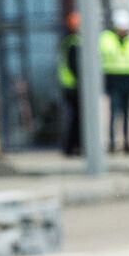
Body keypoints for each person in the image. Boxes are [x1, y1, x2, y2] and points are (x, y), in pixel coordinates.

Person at [99, 8, 129, 154]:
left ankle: (127, 142)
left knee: (127, 113)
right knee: (113, 112)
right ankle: (112, 143)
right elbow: (106, 54)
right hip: (113, 78)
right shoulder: (106, 38)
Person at [58, 11, 82, 156]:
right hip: (73, 87)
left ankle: (72, 146)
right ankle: (72, 146)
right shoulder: (74, 42)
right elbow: (74, 66)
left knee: (74, 117)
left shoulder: (68, 40)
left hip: (69, 86)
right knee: (76, 118)